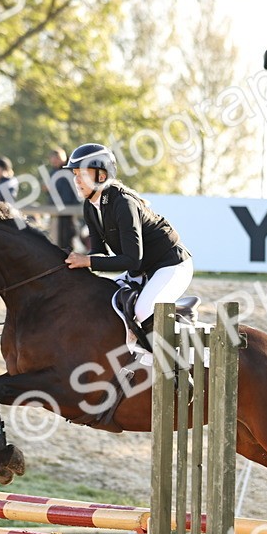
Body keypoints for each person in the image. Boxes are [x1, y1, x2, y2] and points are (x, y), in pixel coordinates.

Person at [62, 142, 194, 366]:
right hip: (141, 270)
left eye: (82, 174)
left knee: (142, 311)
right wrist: (77, 263)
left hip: (171, 266)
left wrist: (87, 261)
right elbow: (99, 253)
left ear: (102, 176)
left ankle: (177, 368)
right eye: (75, 174)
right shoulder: (89, 206)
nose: (76, 180)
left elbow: (132, 259)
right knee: (105, 302)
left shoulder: (123, 203)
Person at [47, 147, 80, 250]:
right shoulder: (53, 172)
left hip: (68, 209)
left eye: (56, 159)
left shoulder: (70, 170)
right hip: (56, 210)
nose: (54, 162)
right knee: (56, 238)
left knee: (67, 236)